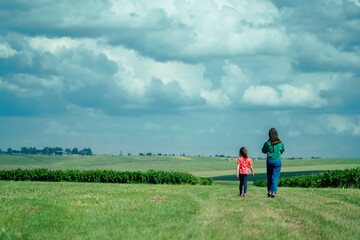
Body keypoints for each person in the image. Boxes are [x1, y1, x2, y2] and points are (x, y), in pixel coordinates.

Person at [262, 128, 285, 198]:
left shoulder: (267, 143)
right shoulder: (281, 143)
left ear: (269, 135)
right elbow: (282, 151)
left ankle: (269, 191)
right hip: (277, 161)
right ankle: (273, 192)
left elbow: (263, 151)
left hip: (270, 161)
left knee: (269, 176)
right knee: (275, 177)